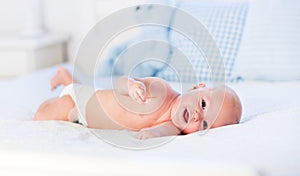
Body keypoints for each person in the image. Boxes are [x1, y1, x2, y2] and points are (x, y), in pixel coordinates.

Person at [34, 67, 242, 139]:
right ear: (196, 88)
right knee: (43, 116)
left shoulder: (173, 127)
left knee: (74, 113)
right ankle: (66, 81)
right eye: (204, 105)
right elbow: (121, 83)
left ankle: (67, 78)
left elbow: (158, 133)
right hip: (81, 102)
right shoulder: (161, 90)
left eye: (205, 124)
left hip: (85, 118)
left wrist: (152, 135)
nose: (198, 115)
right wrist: (132, 86)